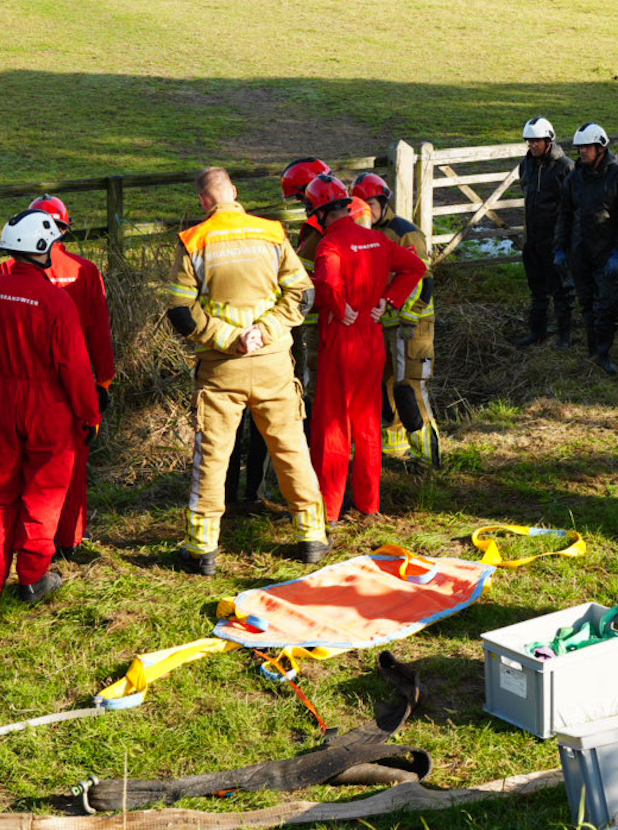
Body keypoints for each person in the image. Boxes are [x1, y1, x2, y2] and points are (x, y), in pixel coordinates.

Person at [165, 167, 326, 570]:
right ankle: (312, 537)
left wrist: (225, 337)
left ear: (203, 201)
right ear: (234, 193)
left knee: (213, 456)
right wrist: (266, 330)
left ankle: (202, 548)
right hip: (272, 362)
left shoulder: (193, 241)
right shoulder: (273, 233)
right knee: (290, 448)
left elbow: (181, 313)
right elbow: (303, 294)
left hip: (222, 369)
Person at [0, 210, 101, 605]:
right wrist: (89, 414)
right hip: (49, 404)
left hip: (2, 399)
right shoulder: (56, 301)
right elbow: (75, 366)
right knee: (43, 492)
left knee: (0, 492)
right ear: (41, 249)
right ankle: (32, 578)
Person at [0, 195, 113, 558]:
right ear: (63, 228)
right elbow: (98, 331)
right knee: (69, 468)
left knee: (11, 472)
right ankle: (68, 539)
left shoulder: (4, 273)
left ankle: (12, 545)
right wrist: (103, 381)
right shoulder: (85, 270)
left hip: (15, 384)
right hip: (72, 386)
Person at [307, 178, 427, 525]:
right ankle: (369, 503)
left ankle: (329, 509)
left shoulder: (329, 244)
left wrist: (338, 305)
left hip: (341, 341)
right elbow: (415, 267)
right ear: (347, 207)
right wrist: (388, 301)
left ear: (322, 214)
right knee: (368, 423)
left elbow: (327, 281)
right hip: (372, 339)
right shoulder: (377, 239)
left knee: (333, 426)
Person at [352, 171, 440, 465]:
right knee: (386, 387)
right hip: (384, 324)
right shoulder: (365, 232)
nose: (365, 212)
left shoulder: (405, 232)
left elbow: (423, 280)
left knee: (410, 390)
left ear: (383, 202)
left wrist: (409, 318)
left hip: (411, 326)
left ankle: (429, 457)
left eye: (369, 206)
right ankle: (393, 448)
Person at [554, 123, 618, 375]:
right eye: (580, 147)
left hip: (608, 252)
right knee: (588, 302)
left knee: (609, 303)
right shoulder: (574, 178)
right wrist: (560, 248)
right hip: (580, 250)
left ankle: (604, 353)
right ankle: (593, 349)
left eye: (587, 147)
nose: (582, 151)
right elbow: (565, 215)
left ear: (601, 148)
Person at [514, 117, 575, 350]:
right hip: (533, 238)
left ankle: (564, 335)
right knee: (537, 288)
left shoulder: (565, 167)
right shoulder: (526, 165)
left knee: (561, 288)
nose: (532, 145)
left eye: (536, 141)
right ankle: (536, 331)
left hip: (556, 240)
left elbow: (572, 205)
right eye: (528, 141)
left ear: (549, 140)